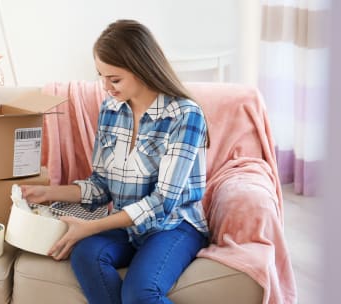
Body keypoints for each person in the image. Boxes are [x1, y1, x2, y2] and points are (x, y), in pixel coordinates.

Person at [21, 19, 209, 304]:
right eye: (101, 75)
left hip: (174, 226)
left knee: (139, 293)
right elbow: (101, 185)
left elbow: (163, 203)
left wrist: (92, 226)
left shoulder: (185, 115)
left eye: (114, 78)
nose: (105, 86)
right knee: (86, 255)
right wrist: (50, 193)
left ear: (142, 68)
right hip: (127, 225)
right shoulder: (111, 108)